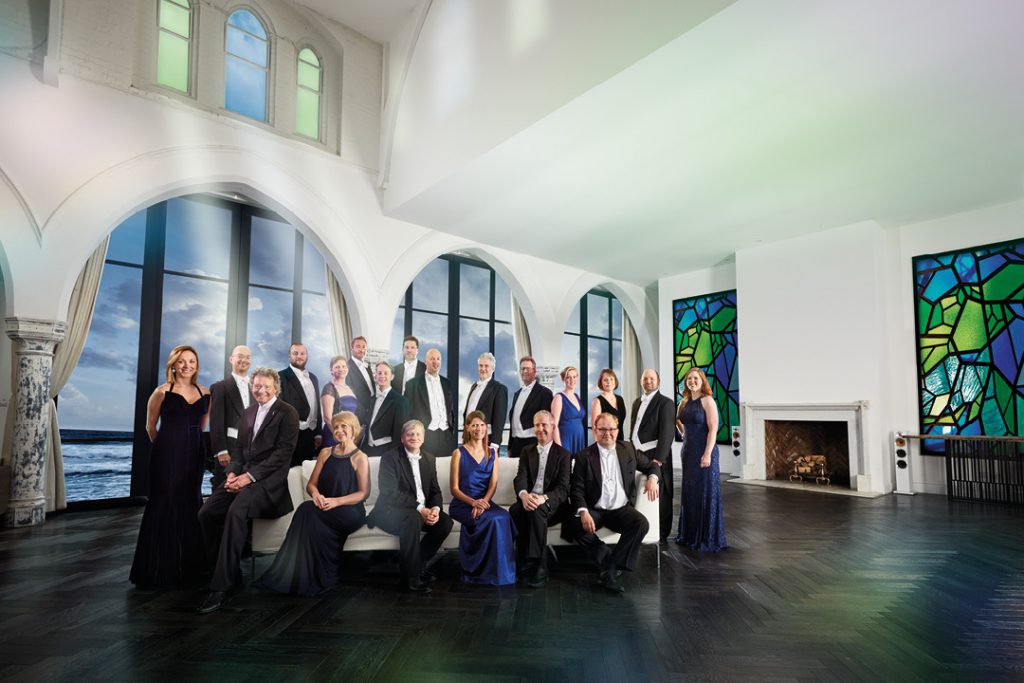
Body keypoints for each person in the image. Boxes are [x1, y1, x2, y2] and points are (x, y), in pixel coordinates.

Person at [197, 367, 299, 613]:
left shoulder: (288, 413)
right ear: (251, 387)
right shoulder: (248, 412)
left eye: (266, 386)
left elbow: (281, 455)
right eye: (257, 386)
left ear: (275, 388)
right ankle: (226, 571)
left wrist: (248, 477)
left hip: (268, 482)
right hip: (242, 475)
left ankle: (221, 587)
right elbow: (240, 450)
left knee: (235, 511)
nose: (261, 390)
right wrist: (232, 472)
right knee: (206, 513)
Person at [258, 411, 369, 596]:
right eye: (336, 427)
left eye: (344, 426)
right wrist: (316, 494)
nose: (339, 430)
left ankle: (320, 577)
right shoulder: (325, 453)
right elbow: (311, 484)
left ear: (354, 429)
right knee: (306, 509)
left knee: (308, 512)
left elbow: (363, 493)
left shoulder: (360, 457)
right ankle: (297, 575)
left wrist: (336, 501)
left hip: (349, 510)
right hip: (323, 505)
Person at [130, 345, 209, 587]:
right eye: (182, 361)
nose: (187, 365)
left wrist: (189, 447)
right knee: (164, 504)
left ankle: (188, 567)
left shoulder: (205, 392)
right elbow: (150, 426)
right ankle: (158, 568)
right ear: (173, 364)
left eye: (192, 361)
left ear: (197, 365)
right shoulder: (162, 392)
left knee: (190, 504)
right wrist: (167, 447)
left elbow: (202, 426)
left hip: (194, 456)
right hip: (167, 455)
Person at [562, 412, 660, 593]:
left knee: (641, 523)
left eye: (611, 429)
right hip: (595, 509)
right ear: (595, 431)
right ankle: (607, 558)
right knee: (573, 525)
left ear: (617, 430)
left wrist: (653, 478)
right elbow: (576, 488)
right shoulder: (584, 455)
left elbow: (652, 465)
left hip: (620, 509)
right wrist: (583, 512)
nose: (607, 433)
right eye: (602, 429)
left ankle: (611, 566)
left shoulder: (628, 449)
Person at [366, 420, 453, 593]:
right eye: (410, 434)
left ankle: (417, 566)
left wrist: (435, 509)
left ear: (423, 438)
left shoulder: (429, 458)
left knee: (445, 523)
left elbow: (435, 490)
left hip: (419, 510)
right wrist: (420, 509)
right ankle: (410, 579)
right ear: (402, 437)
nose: (414, 437)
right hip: (390, 511)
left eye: (418, 434)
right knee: (413, 517)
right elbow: (390, 493)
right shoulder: (390, 458)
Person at [449, 411, 517, 585]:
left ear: (486, 428)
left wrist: (484, 502)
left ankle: (500, 571)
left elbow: (493, 483)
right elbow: (454, 489)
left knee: (504, 516)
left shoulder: (492, 453)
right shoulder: (458, 453)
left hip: (485, 501)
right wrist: (473, 502)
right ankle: (478, 570)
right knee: (493, 520)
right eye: (474, 425)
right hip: (463, 503)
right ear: (468, 428)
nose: (478, 428)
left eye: (481, 425)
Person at [508, 410, 570, 588]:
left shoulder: (563, 454)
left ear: (552, 427)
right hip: (530, 499)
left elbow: (563, 489)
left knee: (537, 511)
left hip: (553, 505)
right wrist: (524, 495)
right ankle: (522, 560)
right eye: (537, 425)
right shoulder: (527, 451)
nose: (540, 429)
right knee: (515, 510)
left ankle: (538, 564)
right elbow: (520, 478)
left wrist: (544, 498)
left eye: (544, 425)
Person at [674, 368, 728, 552]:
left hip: (705, 452)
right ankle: (689, 535)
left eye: (695, 378)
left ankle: (706, 537)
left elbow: (713, 429)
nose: (692, 381)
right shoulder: (684, 402)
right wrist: (683, 433)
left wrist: (706, 454)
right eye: (689, 379)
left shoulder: (707, 401)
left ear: (702, 381)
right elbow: (678, 420)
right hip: (688, 452)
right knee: (690, 494)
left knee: (706, 492)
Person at [629, 368, 677, 542]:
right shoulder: (636, 402)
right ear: (641, 381)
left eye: (651, 378)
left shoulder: (666, 403)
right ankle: (641, 527)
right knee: (639, 488)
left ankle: (662, 533)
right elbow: (634, 429)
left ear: (658, 381)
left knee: (661, 493)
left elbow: (667, 434)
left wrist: (658, 460)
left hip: (655, 453)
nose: (648, 381)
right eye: (645, 379)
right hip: (637, 453)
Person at [208, 345, 253, 491]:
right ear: (231, 359)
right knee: (223, 491)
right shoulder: (220, 387)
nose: (243, 360)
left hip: (252, 450)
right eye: (240, 356)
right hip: (229, 450)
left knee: (245, 492)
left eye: (247, 357)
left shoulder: (256, 388)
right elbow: (216, 422)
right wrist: (221, 451)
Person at [405, 348, 456, 460]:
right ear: (425, 361)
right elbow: (407, 414)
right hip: (424, 436)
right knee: (426, 472)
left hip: (446, 436)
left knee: (446, 472)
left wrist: (451, 430)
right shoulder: (412, 385)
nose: (435, 362)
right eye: (432, 359)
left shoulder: (446, 383)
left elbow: (450, 409)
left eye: (438, 359)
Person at [279, 342, 321, 467]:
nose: (299, 356)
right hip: (292, 433)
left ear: (307, 356)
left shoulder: (313, 377)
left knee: (306, 471)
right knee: (290, 471)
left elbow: (317, 407)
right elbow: (279, 407)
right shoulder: (280, 376)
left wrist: (318, 432)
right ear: (289, 356)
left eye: (302, 353)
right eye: (295, 353)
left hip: (310, 433)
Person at [362, 361, 410, 457]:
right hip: (368, 449)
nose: (382, 376)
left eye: (385, 373)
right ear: (375, 376)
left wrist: (393, 455)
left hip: (387, 451)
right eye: (379, 373)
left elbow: (400, 433)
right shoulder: (372, 399)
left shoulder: (400, 401)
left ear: (392, 377)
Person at [508, 356, 553, 458]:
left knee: (532, 473)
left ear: (534, 371)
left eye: (527, 369)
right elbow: (513, 421)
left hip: (533, 442)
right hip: (516, 443)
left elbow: (547, 422)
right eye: (522, 369)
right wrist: (510, 446)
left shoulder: (544, 393)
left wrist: (544, 445)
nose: (524, 371)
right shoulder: (517, 393)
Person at [462, 352, 508, 450]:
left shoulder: (499, 389)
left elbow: (499, 420)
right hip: (469, 438)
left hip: (487, 440)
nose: (483, 369)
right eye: (480, 366)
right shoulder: (474, 386)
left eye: (486, 366)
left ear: (493, 369)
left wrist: (495, 445)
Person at [319, 355, 358, 448]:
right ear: (331, 370)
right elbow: (327, 418)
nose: (341, 369)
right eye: (337, 367)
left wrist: (351, 435)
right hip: (334, 435)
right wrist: (340, 436)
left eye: (344, 366)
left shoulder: (350, 388)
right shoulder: (329, 388)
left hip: (348, 435)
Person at [550, 365, 586, 454]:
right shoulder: (559, 397)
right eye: (568, 377)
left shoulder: (577, 397)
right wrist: (559, 448)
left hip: (579, 438)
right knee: (566, 465)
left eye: (574, 377)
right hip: (565, 438)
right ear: (563, 379)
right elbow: (554, 425)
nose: (572, 380)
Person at [347, 335, 376, 423]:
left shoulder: (368, 366)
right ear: (351, 349)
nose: (362, 350)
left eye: (364, 347)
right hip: (358, 415)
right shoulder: (347, 367)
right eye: (358, 347)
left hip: (372, 412)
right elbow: (349, 394)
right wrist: (364, 413)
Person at [590, 368, 626, 435]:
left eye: (611, 379)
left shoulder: (620, 399)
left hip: (620, 441)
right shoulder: (597, 401)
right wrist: (599, 445)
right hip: (605, 442)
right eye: (605, 380)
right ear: (601, 383)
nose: (609, 382)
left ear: (615, 381)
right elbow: (595, 428)